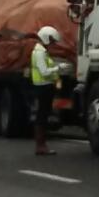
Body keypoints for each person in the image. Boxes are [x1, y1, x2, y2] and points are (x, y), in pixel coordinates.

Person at [31, 26, 67, 156]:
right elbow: (44, 71)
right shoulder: (40, 53)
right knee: (42, 116)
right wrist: (58, 68)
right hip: (43, 87)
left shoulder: (41, 51)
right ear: (46, 38)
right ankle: (41, 146)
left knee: (43, 115)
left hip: (45, 87)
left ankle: (41, 145)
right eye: (51, 41)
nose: (52, 44)